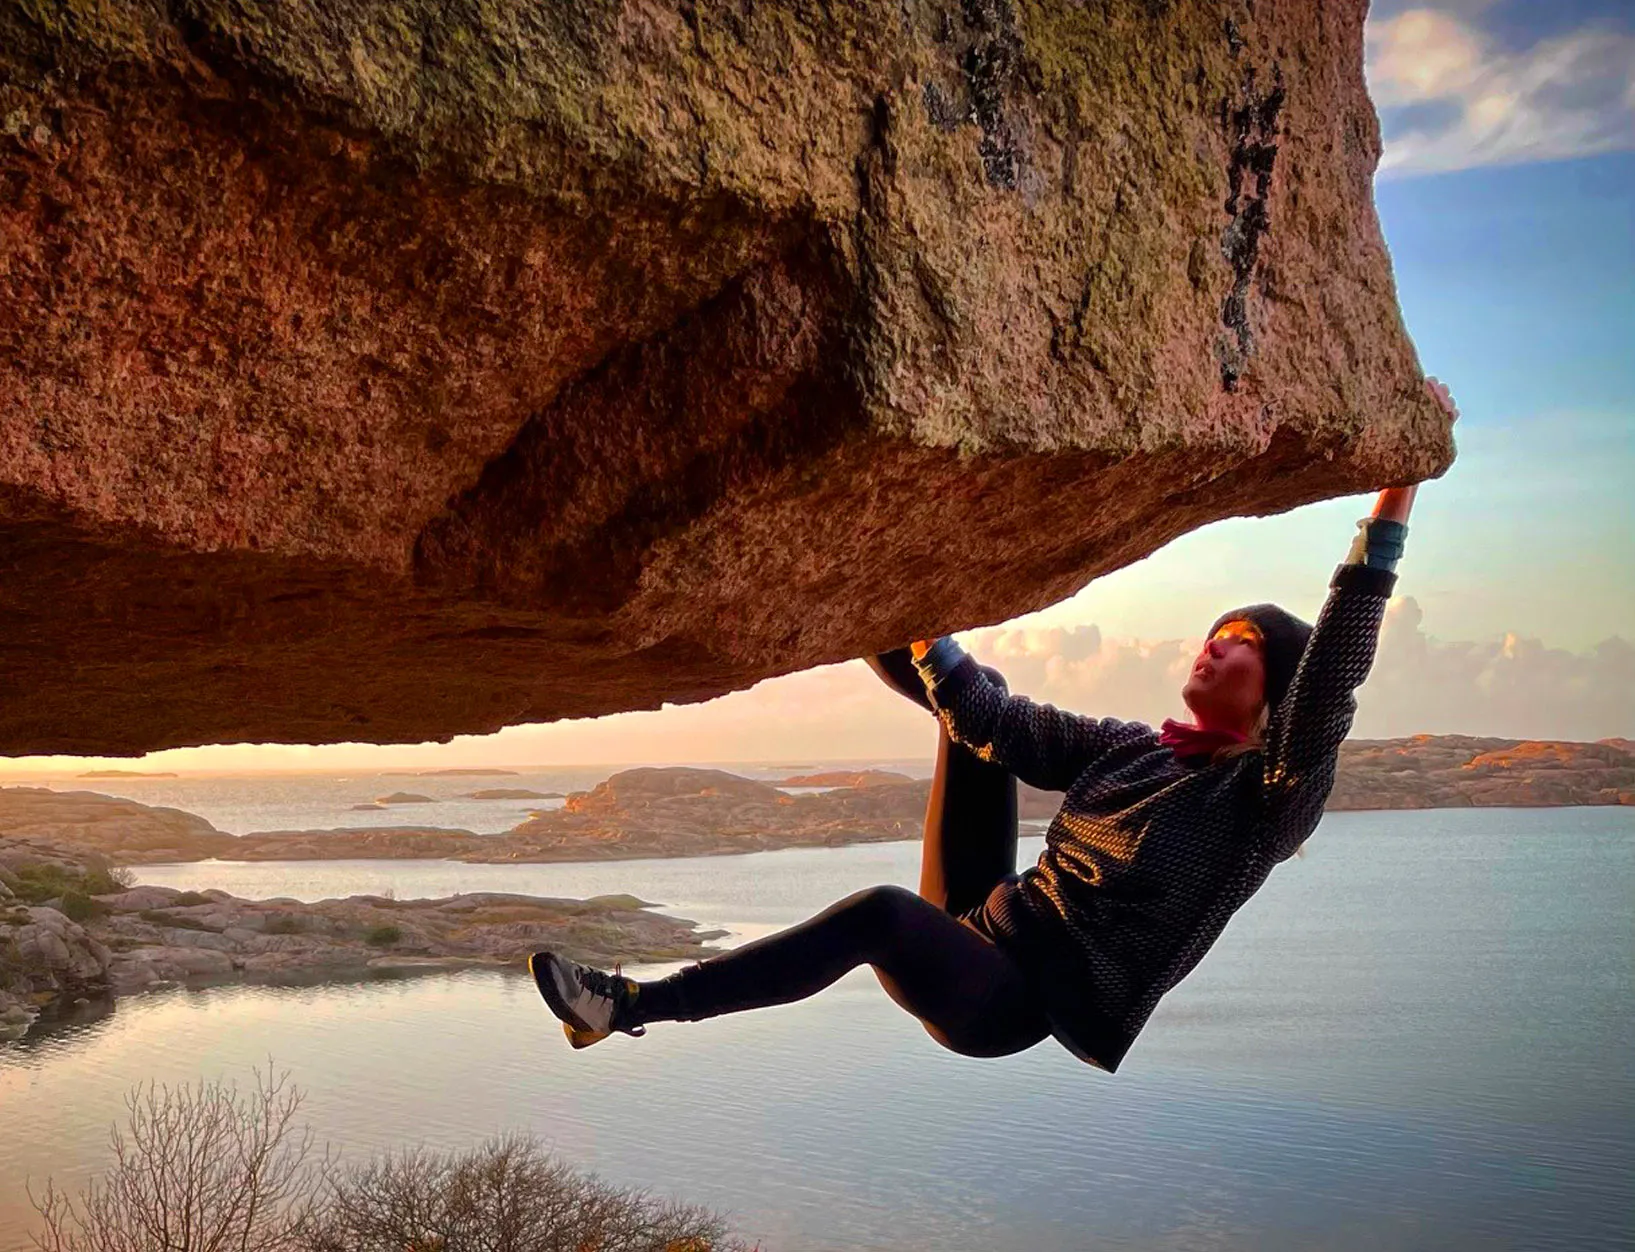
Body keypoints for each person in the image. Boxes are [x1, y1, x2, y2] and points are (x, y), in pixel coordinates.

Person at [528, 379, 1460, 1072]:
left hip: (1009, 1002)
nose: (1210, 651)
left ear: (1274, 697)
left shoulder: (1264, 801)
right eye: (1211, 636)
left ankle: (631, 1004)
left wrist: (1395, 496)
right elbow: (993, 717)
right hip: (982, 917)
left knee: (882, 916)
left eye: (1238, 646)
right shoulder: (1136, 751)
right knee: (976, 726)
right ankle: (859, 597)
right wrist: (894, 615)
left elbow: (1336, 666)